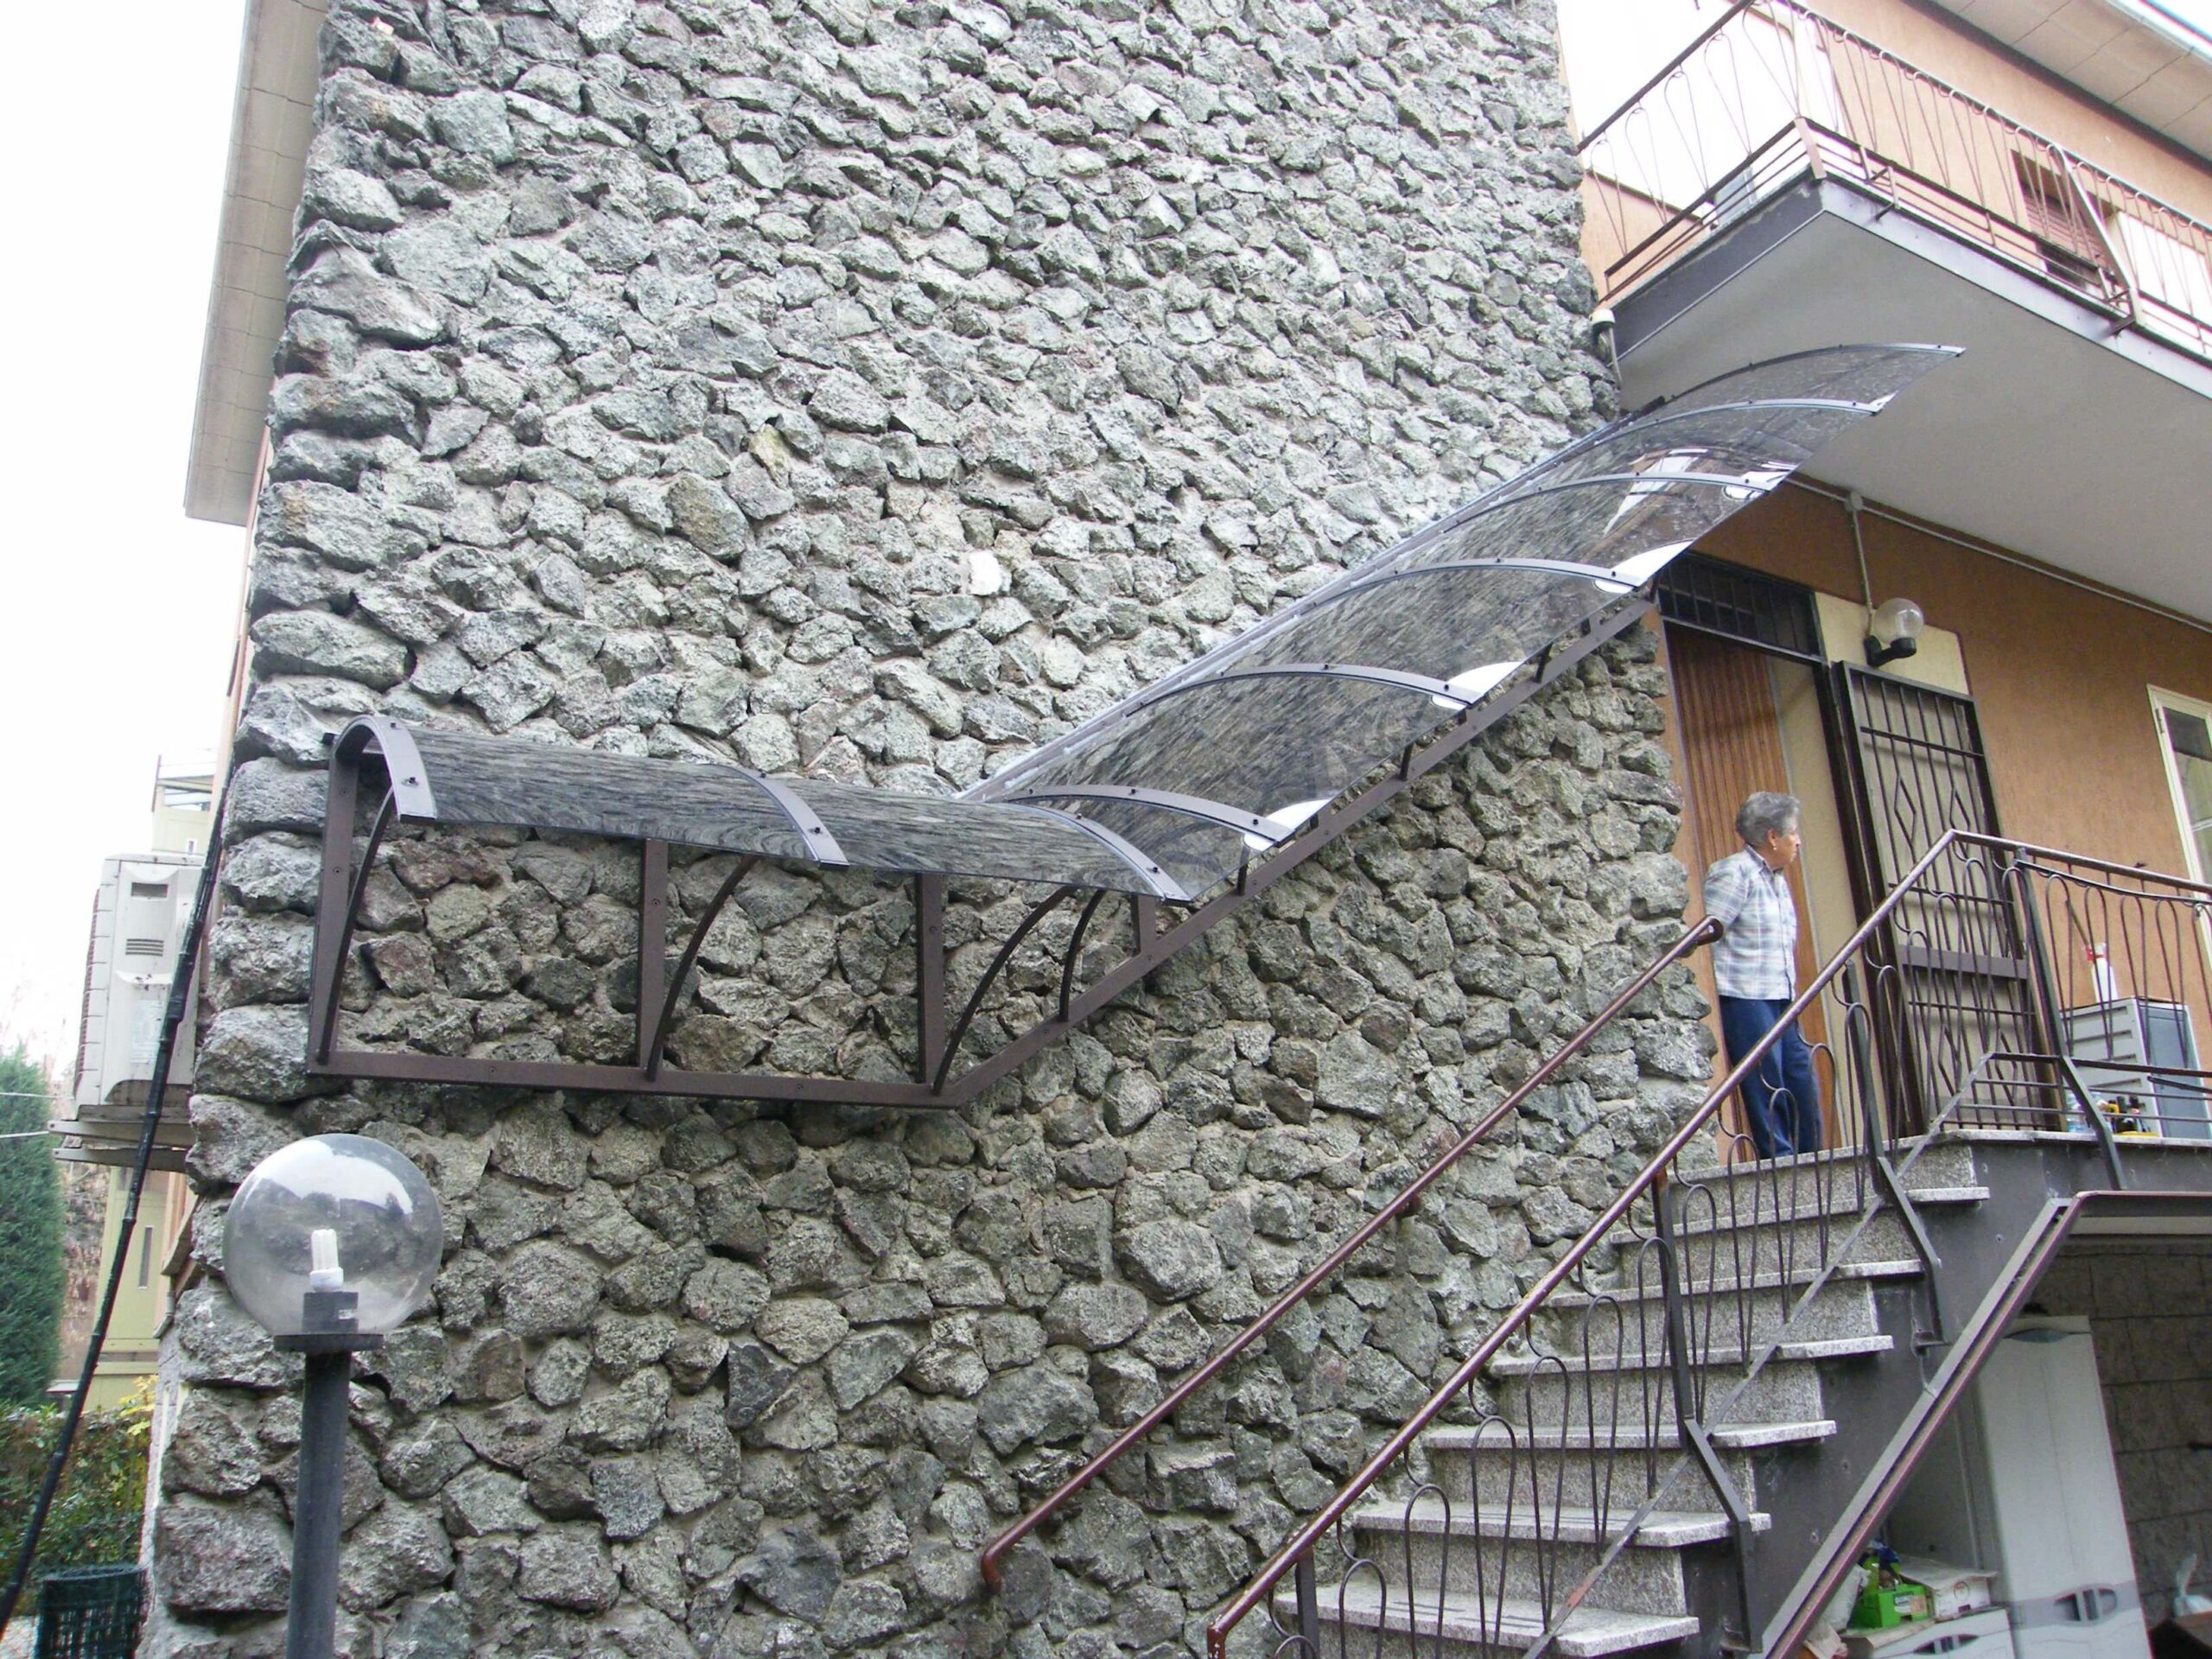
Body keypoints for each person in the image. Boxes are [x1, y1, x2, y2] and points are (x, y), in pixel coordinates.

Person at [1704, 791, 1823, 1159]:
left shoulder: (1776, 878)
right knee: (1765, 1083)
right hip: (1746, 997)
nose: (1798, 841)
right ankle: (1781, 1162)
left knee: (1801, 1077)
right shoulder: (1735, 872)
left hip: (1782, 996)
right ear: (1772, 836)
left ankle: (1810, 1158)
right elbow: (1707, 932)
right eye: (1793, 833)